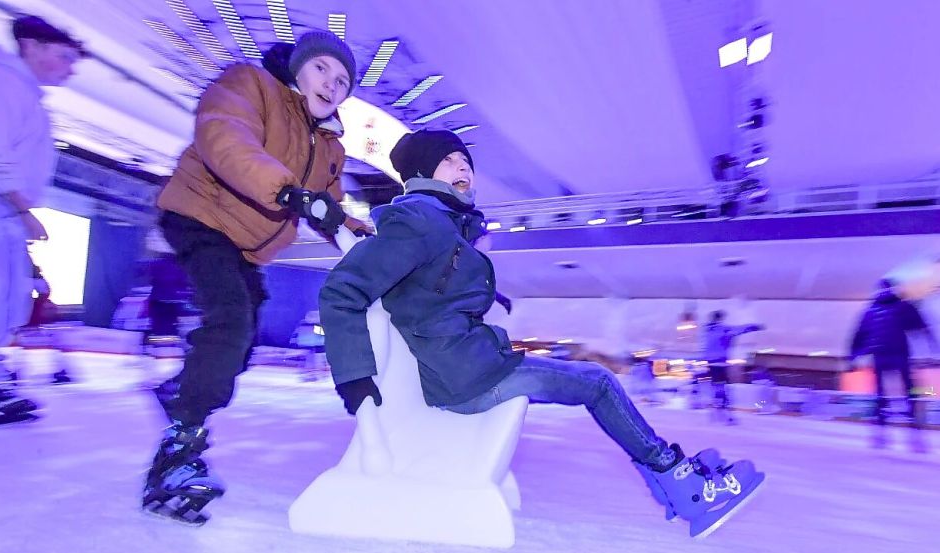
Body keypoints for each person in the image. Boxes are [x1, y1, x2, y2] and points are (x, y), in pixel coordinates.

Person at [318, 130, 765, 539]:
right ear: (421, 172)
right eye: (448, 160)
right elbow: (343, 292)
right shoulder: (419, 219)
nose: (462, 168)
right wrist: (355, 379)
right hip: (466, 376)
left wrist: (487, 295)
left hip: (470, 364)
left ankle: (668, 480)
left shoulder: (445, 224)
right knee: (599, 382)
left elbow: (429, 289)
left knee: (594, 379)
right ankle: (680, 484)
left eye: (466, 161)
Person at [142, 31, 369, 525]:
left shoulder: (329, 146)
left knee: (241, 341)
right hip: (201, 216)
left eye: (343, 82)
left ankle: (183, 389)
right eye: (322, 69)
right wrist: (286, 190)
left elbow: (329, 207)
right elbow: (225, 136)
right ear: (298, 68)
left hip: (245, 245)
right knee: (229, 322)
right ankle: (177, 451)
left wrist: (364, 238)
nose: (331, 85)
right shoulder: (252, 85)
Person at [0, 15, 85, 428]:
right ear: (31, 46)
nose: (70, 69)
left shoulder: (15, 89)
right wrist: (20, 205)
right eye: (64, 57)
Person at [850, 279, 937, 452]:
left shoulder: (872, 310)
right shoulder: (901, 307)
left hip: (882, 356)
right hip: (897, 355)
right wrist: (932, 346)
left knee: (883, 394)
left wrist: (853, 356)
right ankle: (912, 435)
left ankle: (882, 434)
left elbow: (859, 335)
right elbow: (921, 327)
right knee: (907, 392)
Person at [701, 311, 764, 425]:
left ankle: (716, 413)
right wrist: (754, 327)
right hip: (720, 363)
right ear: (720, 319)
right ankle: (725, 415)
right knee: (723, 389)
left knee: (717, 387)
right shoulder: (723, 329)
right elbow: (739, 330)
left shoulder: (708, 331)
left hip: (711, 363)